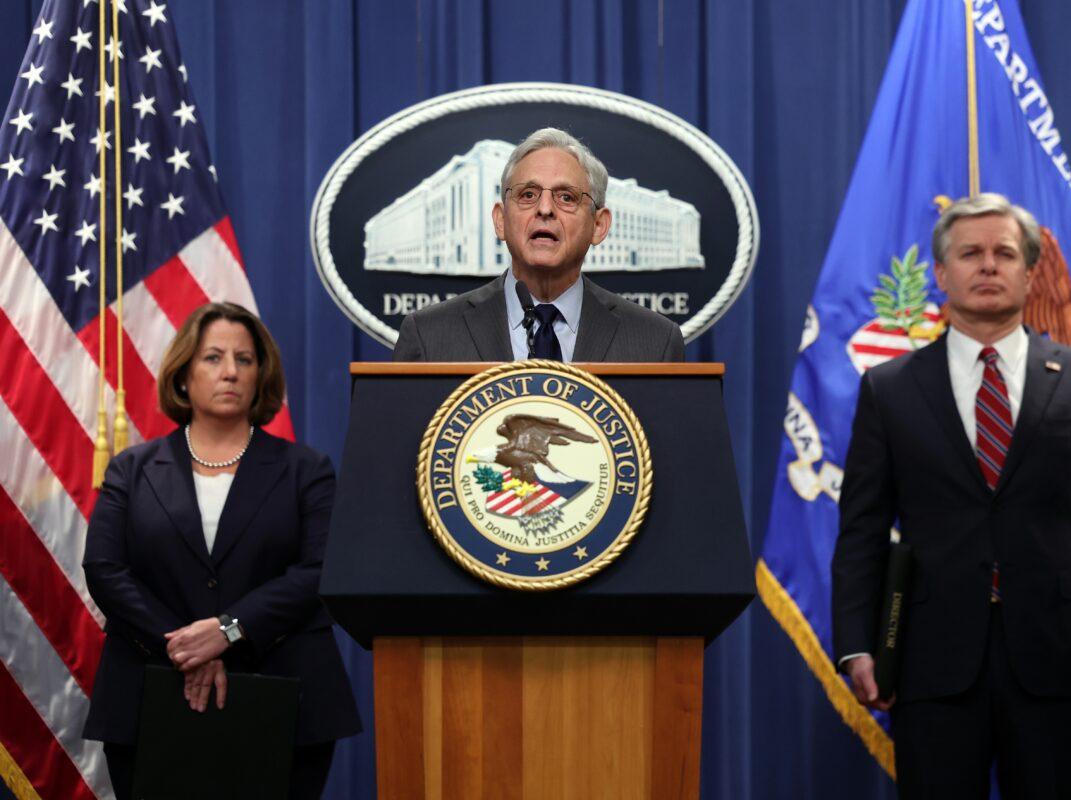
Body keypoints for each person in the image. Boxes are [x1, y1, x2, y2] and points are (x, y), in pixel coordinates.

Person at [831, 193, 1071, 798]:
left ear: (1031, 273)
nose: (987, 265)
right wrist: (855, 646)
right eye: (969, 253)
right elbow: (861, 532)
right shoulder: (889, 388)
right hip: (930, 660)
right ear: (942, 274)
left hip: (1058, 656)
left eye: (1004, 253)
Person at [83, 302, 361, 800]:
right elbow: (105, 570)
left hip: (284, 697)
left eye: (245, 359)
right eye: (213, 357)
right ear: (184, 375)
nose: (230, 371)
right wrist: (187, 647)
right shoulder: (132, 469)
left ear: (262, 375)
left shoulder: (306, 469)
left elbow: (321, 570)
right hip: (151, 692)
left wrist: (229, 630)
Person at [392, 127, 686, 362]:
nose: (545, 209)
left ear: (599, 225)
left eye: (566, 197)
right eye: (528, 195)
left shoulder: (655, 343)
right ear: (501, 220)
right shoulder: (429, 337)